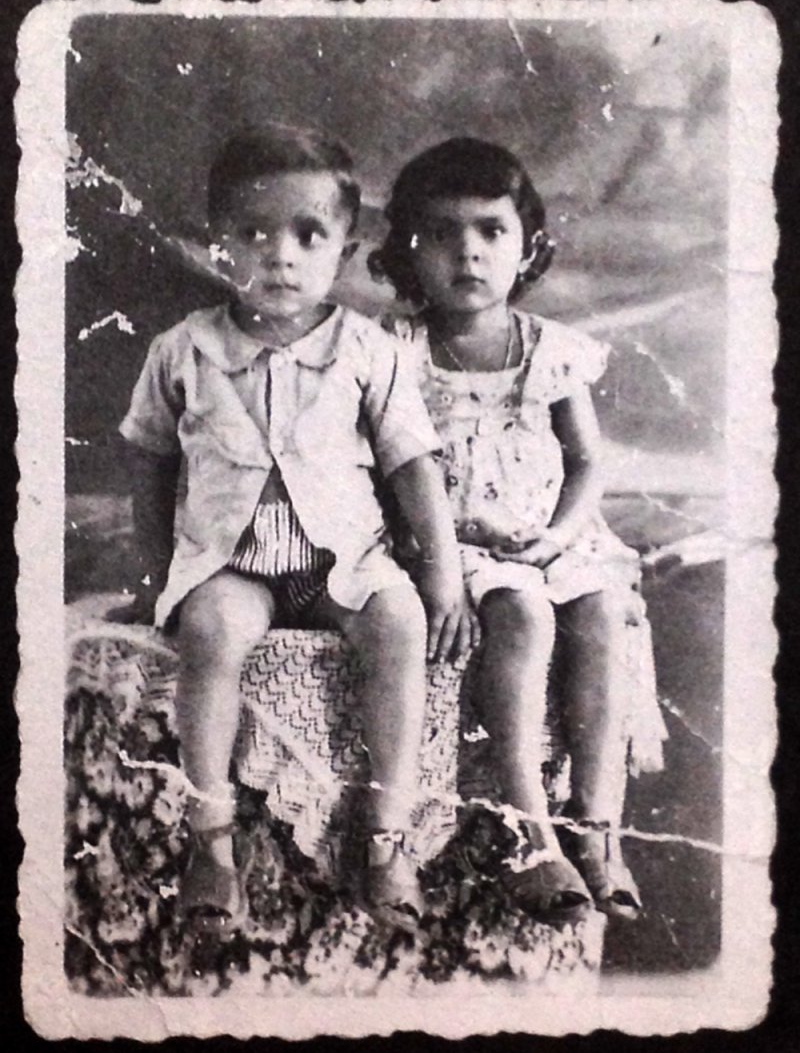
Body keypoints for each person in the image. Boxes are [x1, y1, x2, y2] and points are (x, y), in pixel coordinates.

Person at [112, 125, 472, 930]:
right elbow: (148, 458)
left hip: (343, 561)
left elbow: (413, 464)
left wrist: (443, 573)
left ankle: (387, 837)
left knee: (400, 619)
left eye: (309, 235)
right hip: (233, 561)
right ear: (216, 246)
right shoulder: (184, 350)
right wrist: (156, 574)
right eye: (253, 233)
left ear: (344, 252)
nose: (280, 256)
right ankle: (212, 840)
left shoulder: (367, 349)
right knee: (210, 629)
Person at [369, 137, 666, 921]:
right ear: (408, 250)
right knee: (522, 611)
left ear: (527, 246)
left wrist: (562, 535)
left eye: (491, 230)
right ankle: (529, 831)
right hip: (453, 543)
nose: (468, 251)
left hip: (546, 536)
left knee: (601, 607)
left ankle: (596, 826)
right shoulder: (396, 349)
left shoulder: (550, 351)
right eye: (442, 233)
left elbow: (587, 462)